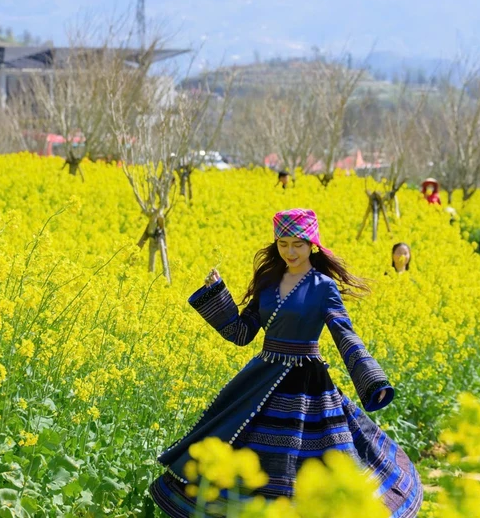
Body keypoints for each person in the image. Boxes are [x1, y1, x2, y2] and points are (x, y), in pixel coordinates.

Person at [150, 209, 422, 517]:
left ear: (312, 245)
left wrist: (372, 380)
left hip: (309, 387)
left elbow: (344, 334)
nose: (290, 252)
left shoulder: (323, 286)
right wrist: (217, 294)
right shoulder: (267, 283)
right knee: (249, 457)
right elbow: (241, 333)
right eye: (283, 244)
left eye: (297, 244)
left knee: (311, 460)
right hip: (262, 381)